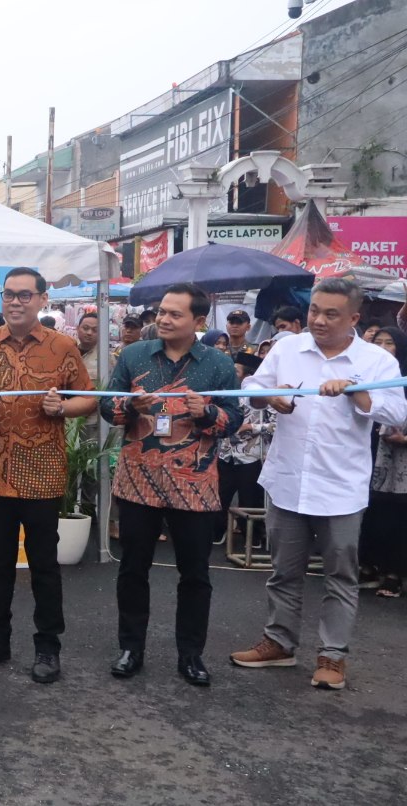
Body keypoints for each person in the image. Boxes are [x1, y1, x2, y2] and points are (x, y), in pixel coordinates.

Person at [230, 279, 407, 690]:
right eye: (314, 310)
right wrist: (270, 396)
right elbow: (251, 387)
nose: (319, 320)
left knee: (340, 576)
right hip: (287, 479)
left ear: (354, 318)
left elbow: (397, 412)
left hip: (340, 488)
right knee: (283, 571)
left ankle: (333, 656)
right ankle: (279, 642)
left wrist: (358, 395)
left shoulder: (376, 361)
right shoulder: (288, 348)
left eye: (331, 314)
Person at [0, 267, 95, 684]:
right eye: (9, 294)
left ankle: (48, 646)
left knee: (44, 565)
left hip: (42, 474)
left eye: (25, 295)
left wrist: (62, 408)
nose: (15, 302)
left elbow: (89, 399)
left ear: (42, 299)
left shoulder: (62, 347)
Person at [101, 283, 242, 687]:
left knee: (195, 574)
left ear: (199, 321)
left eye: (174, 314)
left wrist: (207, 412)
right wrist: (129, 406)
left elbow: (233, 421)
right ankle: (130, 648)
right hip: (138, 481)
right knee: (133, 569)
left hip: (194, 484)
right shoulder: (133, 355)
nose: (163, 319)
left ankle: (191, 655)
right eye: (162, 311)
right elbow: (106, 406)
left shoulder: (218, 364)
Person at [360, 327, 407, 599]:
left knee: (396, 517)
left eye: (390, 343)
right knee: (371, 512)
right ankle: (368, 565)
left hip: (400, 463)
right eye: (378, 343)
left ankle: (394, 573)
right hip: (370, 454)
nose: (383, 348)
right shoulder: (364, 373)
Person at [216, 351, 273, 548]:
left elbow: (276, 425)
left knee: (249, 498)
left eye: (236, 371)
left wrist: (252, 427)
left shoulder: (262, 395)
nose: (232, 374)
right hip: (226, 452)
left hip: (251, 455)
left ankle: (253, 536)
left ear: (248, 375)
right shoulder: (225, 392)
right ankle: (217, 531)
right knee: (220, 494)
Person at [74, 313, 100, 384]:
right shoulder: (68, 353)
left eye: (95, 330)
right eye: (85, 328)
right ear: (77, 328)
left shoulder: (105, 358)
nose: (89, 333)